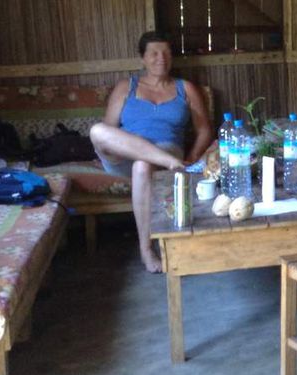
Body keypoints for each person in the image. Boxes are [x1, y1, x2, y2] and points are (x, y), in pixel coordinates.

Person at [90, 31, 213, 272]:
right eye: (154, 53)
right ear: (143, 58)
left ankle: (146, 251)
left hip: (166, 148)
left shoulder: (185, 88)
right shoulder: (127, 86)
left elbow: (204, 131)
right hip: (124, 154)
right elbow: (109, 128)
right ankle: (169, 163)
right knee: (97, 130)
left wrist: (192, 157)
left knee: (142, 165)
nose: (161, 58)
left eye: (166, 53)